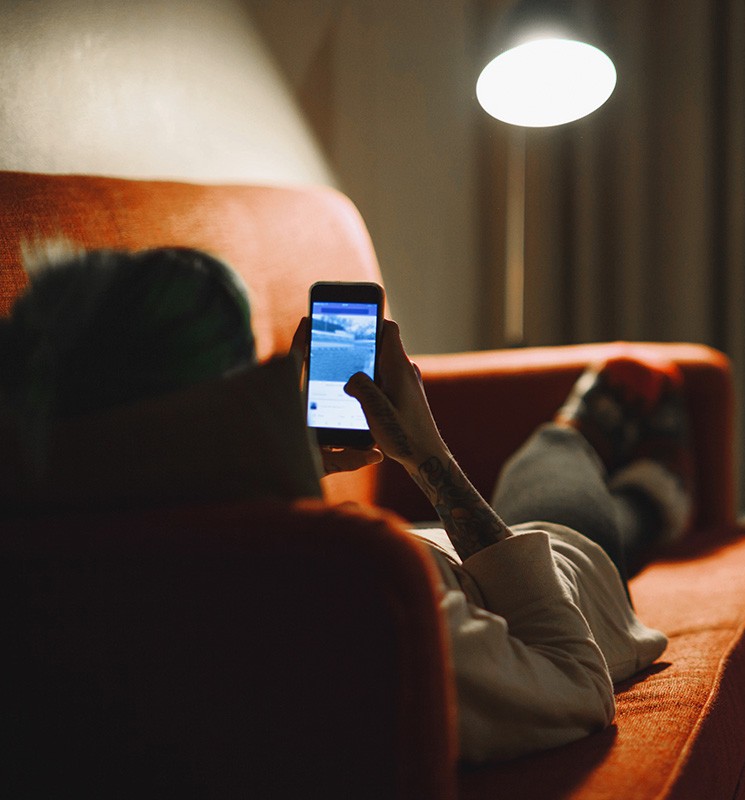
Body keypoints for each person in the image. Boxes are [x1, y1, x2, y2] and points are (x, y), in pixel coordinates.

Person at [0, 245, 693, 764]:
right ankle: (594, 436)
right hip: (545, 586)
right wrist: (429, 459)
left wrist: (279, 459)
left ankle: (641, 489)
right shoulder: (354, 586)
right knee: (556, 483)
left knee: (565, 497)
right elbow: (577, 683)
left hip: (444, 562)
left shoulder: (52, 545)